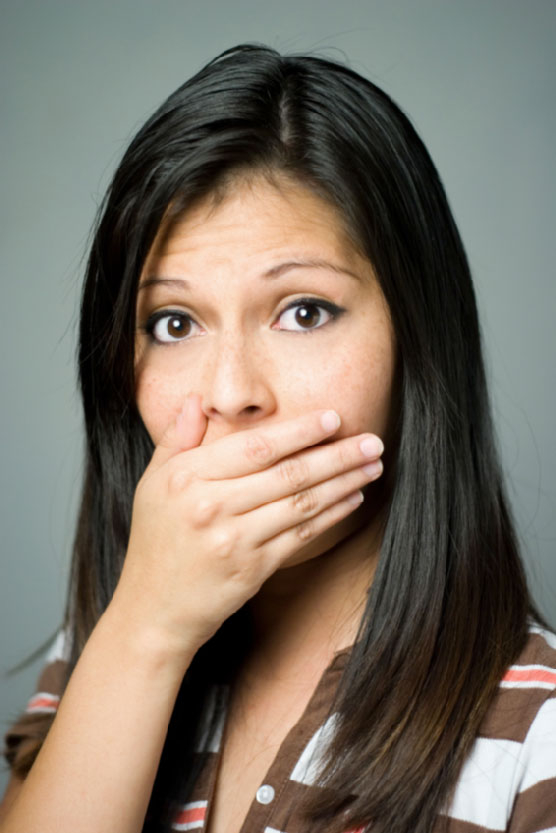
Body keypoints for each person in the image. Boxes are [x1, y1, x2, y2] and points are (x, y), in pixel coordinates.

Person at [1, 42, 555, 833]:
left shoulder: (538, 732)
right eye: (175, 322)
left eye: (304, 311)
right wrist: (144, 633)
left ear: (418, 342)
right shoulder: (112, 640)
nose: (231, 393)